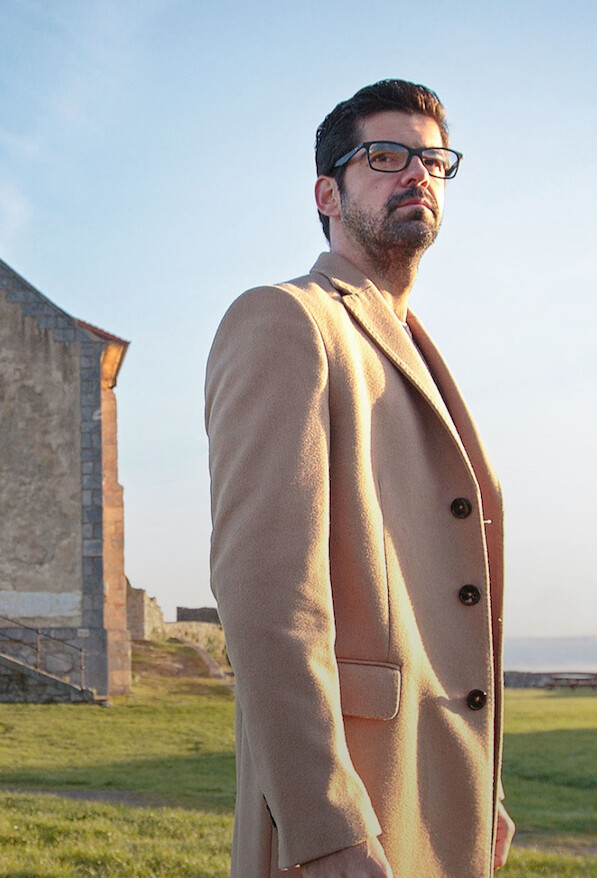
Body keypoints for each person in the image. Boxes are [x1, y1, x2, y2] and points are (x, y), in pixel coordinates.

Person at [205, 79, 514, 877]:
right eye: (385, 156)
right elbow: (269, 594)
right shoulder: (287, 319)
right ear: (327, 194)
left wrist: (482, 787)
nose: (416, 173)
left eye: (434, 161)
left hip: (434, 790)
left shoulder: (416, 346)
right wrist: (326, 824)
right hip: (352, 811)